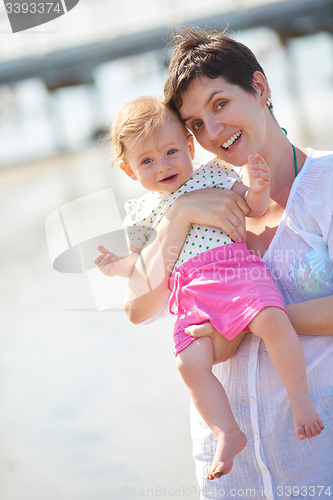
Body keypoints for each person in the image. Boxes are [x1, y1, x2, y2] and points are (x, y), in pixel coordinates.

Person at [116, 28, 333, 498]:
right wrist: (179, 217)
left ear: (260, 88)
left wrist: (243, 321)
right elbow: (136, 309)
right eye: (194, 124)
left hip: (318, 462)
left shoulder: (326, 183)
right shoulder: (195, 200)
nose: (212, 132)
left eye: (220, 104)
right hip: (233, 482)